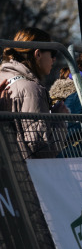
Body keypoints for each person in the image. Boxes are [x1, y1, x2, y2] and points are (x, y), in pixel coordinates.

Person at [0, 27, 63, 157]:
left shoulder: (2, 77)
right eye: (52, 53)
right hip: (24, 173)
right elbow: (42, 150)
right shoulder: (32, 90)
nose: (54, 59)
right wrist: (60, 121)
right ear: (38, 54)